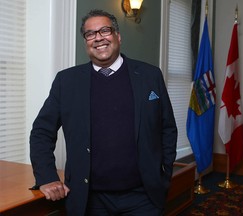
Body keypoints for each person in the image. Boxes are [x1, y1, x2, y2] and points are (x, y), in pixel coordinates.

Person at [30, 9, 177, 216]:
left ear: (118, 36)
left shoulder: (150, 75)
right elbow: (41, 132)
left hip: (143, 197)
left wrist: (164, 174)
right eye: (90, 34)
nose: (98, 38)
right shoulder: (67, 81)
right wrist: (47, 176)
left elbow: (167, 128)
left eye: (105, 31)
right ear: (86, 42)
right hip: (89, 199)